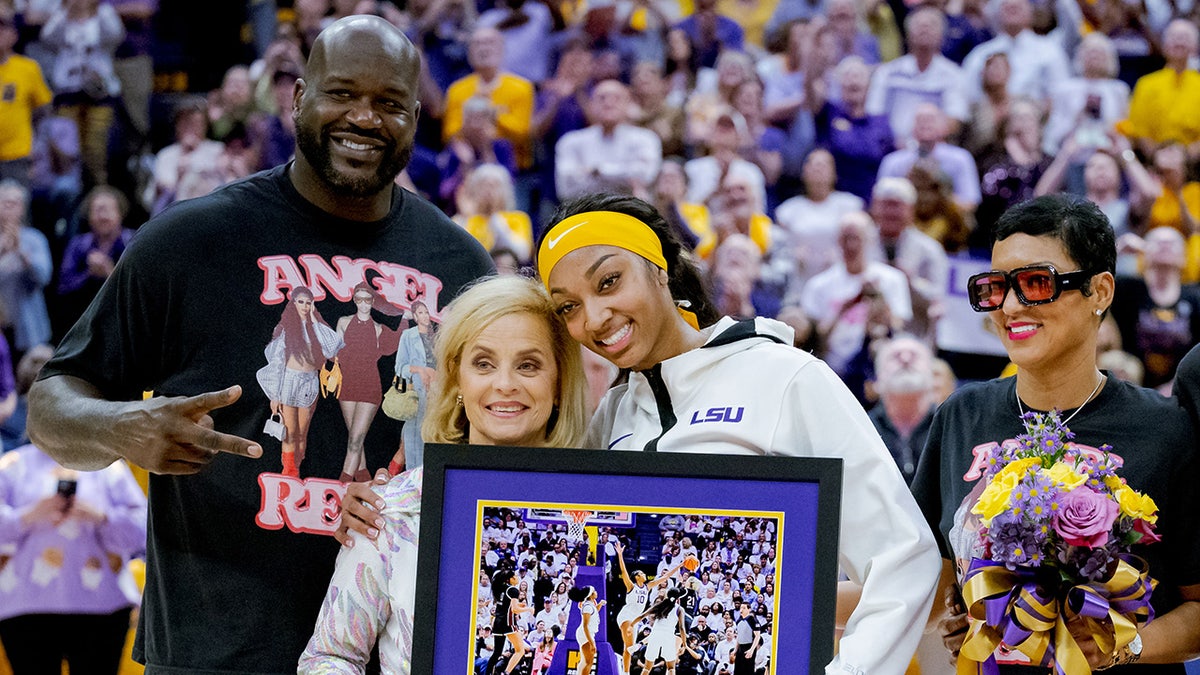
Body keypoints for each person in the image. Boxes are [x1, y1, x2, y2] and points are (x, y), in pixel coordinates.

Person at [25, 16, 493, 672]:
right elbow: (50, 404)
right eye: (341, 94)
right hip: (217, 652)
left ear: (415, 117)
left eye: (388, 103)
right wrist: (116, 427)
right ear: (298, 97)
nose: (364, 117)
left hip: (399, 649)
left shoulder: (462, 264)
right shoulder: (190, 241)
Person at [537, 193, 941, 675]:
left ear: (660, 268)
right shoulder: (612, 415)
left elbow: (903, 559)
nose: (595, 317)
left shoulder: (785, 376)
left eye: (609, 281)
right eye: (568, 308)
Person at [911, 194, 1200, 670]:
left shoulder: (1166, 427)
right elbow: (922, 587)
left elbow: (1198, 606)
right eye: (995, 287)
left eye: (1035, 283)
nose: (1008, 305)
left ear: (1101, 292)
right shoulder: (962, 413)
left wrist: (1125, 646)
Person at [302, 275, 588, 672]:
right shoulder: (390, 511)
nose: (505, 384)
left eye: (528, 365)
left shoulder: (594, 508)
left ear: (558, 381)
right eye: (483, 363)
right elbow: (330, 657)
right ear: (455, 377)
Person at [0, 439, 147, 675]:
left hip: (102, 606)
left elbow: (144, 531)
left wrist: (101, 517)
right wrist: (27, 516)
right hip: (25, 606)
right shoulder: (12, 465)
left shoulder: (107, 466)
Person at [256, 285, 344, 478]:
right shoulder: (286, 329)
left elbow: (332, 349)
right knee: (289, 431)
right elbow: (278, 362)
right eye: (301, 302)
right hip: (289, 380)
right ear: (293, 303)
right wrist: (275, 395)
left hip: (309, 381)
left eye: (308, 302)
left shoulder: (316, 329)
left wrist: (313, 319)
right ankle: (290, 472)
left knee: (302, 432)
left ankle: (296, 467)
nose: (305, 306)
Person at [333, 281, 401, 481]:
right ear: (354, 300)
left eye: (367, 299)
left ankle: (342, 482)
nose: (363, 304)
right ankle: (363, 475)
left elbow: (396, 341)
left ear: (372, 301)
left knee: (355, 439)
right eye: (359, 299)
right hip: (347, 384)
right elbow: (335, 350)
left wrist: (405, 319)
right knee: (355, 437)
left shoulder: (379, 329)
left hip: (370, 386)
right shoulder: (343, 322)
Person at [613, 539, 686, 674]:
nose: (644, 574)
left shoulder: (648, 586)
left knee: (628, 648)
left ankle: (625, 672)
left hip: (636, 619)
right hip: (626, 616)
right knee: (629, 641)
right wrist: (620, 555)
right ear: (636, 577)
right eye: (641, 573)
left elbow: (666, 576)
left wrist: (681, 565)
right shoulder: (631, 586)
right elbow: (623, 571)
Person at [0, 180, 53, 356]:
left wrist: (20, 253)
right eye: (4, 201)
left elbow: (44, 277)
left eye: (14, 202)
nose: (8, 206)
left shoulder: (35, 239)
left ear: (22, 208)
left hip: (29, 327)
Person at [394, 300, 435, 472]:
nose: (425, 316)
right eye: (420, 313)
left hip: (437, 392)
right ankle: (413, 475)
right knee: (414, 435)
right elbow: (400, 368)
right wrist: (420, 370)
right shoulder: (408, 335)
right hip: (417, 392)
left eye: (426, 312)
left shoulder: (437, 337)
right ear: (415, 317)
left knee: (432, 433)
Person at [635, 586, 687, 675]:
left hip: (655, 635)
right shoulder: (679, 609)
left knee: (647, 668)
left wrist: (631, 625)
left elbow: (642, 616)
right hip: (668, 636)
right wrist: (684, 644)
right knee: (671, 668)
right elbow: (681, 627)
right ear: (678, 598)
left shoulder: (660, 604)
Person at [569, 584, 607, 675]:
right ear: (590, 594)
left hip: (587, 633)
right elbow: (585, 626)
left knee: (584, 661)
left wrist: (600, 604)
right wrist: (591, 642)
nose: (596, 592)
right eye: (594, 591)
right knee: (589, 662)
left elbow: (594, 612)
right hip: (585, 634)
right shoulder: (587, 607)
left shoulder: (590, 605)